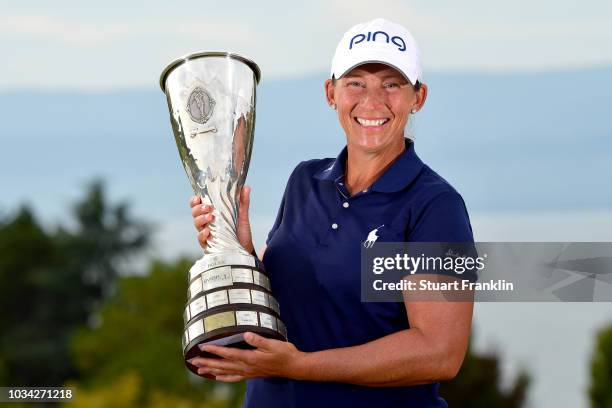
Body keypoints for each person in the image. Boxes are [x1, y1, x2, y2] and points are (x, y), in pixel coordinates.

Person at [189, 18, 474, 408]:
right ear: (331, 93)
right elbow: (281, 302)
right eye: (355, 83)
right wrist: (240, 253)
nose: (372, 102)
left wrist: (301, 366)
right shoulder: (305, 180)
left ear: (417, 98)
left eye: (391, 84)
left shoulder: (434, 206)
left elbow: (438, 352)